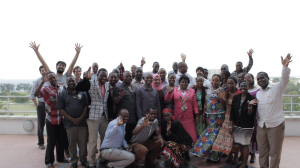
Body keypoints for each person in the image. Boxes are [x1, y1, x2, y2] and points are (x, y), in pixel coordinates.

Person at [256, 54, 292, 168]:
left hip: (276, 125)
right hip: (261, 126)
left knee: (275, 153)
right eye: (258, 79)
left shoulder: (277, 88)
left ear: (268, 78)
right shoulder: (258, 93)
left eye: (262, 78)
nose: (260, 80)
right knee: (262, 153)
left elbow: (284, 79)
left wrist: (284, 68)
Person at [75, 67, 110, 167]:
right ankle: (92, 161)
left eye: (105, 76)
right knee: (92, 141)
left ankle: (102, 158)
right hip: (93, 117)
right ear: (97, 75)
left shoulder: (107, 85)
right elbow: (78, 88)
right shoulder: (90, 83)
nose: (103, 77)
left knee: (104, 140)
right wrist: (86, 79)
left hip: (104, 117)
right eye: (101, 75)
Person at [34, 72, 68, 168]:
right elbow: (36, 94)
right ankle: (49, 161)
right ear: (48, 80)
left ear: (56, 77)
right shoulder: (45, 89)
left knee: (61, 141)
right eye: (50, 78)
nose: (52, 79)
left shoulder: (62, 88)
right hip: (51, 120)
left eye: (53, 77)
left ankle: (60, 158)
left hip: (61, 120)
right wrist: (41, 83)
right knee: (51, 142)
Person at [191, 74, 226, 162]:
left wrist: (221, 97)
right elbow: (206, 104)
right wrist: (203, 115)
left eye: (217, 80)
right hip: (209, 116)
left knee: (216, 136)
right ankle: (208, 155)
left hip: (218, 116)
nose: (214, 82)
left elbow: (223, 103)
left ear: (220, 81)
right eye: (213, 80)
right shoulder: (208, 90)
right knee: (209, 135)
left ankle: (216, 156)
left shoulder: (222, 90)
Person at [56, 77, 89, 168]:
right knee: (72, 144)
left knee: (83, 143)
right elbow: (60, 109)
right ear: (66, 83)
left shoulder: (83, 92)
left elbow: (86, 106)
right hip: (69, 124)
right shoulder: (63, 94)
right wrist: (71, 119)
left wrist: (81, 118)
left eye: (73, 81)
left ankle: (83, 160)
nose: (71, 82)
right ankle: (74, 161)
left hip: (82, 123)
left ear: (76, 82)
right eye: (69, 81)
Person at [211, 77, 241, 164]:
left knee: (235, 138)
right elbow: (223, 103)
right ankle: (230, 155)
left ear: (236, 83)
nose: (230, 85)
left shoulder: (239, 93)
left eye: (232, 83)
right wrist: (222, 97)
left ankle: (236, 156)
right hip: (227, 117)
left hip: (236, 119)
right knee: (226, 138)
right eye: (228, 83)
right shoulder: (226, 92)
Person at [230, 80, 258, 168]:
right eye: (241, 86)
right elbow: (232, 112)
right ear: (239, 86)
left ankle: (245, 163)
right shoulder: (236, 97)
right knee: (240, 143)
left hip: (247, 125)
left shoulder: (252, 98)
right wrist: (231, 125)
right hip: (237, 124)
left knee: (245, 143)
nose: (243, 88)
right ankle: (243, 161)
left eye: (245, 86)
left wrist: (249, 106)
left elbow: (251, 114)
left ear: (248, 87)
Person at [165, 75, 199, 143]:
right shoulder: (175, 90)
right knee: (179, 133)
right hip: (178, 116)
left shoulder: (192, 91)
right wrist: (169, 92)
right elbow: (167, 99)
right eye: (182, 82)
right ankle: (182, 148)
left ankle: (191, 148)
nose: (184, 83)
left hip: (189, 117)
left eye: (186, 82)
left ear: (188, 83)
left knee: (192, 135)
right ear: (179, 83)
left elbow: (195, 104)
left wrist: (197, 115)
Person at [114, 71, 138, 142]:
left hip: (133, 118)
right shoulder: (118, 87)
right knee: (122, 138)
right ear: (123, 77)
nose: (129, 78)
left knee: (132, 138)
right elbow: (115, 102)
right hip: (123, 119)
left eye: (130, 76)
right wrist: (120, 97)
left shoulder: (135, 88)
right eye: (126, 76)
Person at [30, 65, 49, 149]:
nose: (44, 71)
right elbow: (32, 94)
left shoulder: (51, 79)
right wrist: (37, 105)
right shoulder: (37, 81)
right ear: (40, 72)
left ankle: (52, 142)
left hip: (51, 105)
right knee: (41, 125)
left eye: (45, 69)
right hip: (41, 105)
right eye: (42, 70)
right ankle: (41, 143)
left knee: (52, 124)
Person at [244, 73, 260, 163]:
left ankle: (253, 155)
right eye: (245, 78)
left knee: (253, 135)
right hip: (244, 116)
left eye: (249, 77)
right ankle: (244, 155)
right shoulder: (242, 89)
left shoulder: (257, 90)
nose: (247, 79)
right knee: (245, 135)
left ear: (252, 79)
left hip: (254, 115)